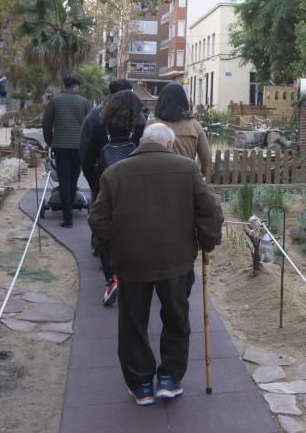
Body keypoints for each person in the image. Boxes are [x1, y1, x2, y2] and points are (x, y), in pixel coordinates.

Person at [88, 123, 223, 405]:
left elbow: (98, 220)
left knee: (133, 323)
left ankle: (141, 385)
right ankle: (169, 378)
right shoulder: (187, 169)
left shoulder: (114, 173)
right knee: (176, 318)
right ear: (170, 145)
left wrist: (111, 250)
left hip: (131, 262)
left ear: (140, 142)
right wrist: (207, 242)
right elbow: (210, 210)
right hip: (176, 260)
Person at [79, 82, 146, 305]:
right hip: (134, 183)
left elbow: (86, 156)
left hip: (105, 180)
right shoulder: (139, 122)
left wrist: (95, 184)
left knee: (104, 228)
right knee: (132, 226)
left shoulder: (95, 119)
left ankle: (112, 278)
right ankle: (132, 269)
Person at [43, 75, 92, 227]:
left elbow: (46, 125)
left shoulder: (54, 101)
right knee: (73, 180)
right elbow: (90, 125)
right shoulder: (85, 103)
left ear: (64, 85)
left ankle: (67, 218)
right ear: (76, 87)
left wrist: (51, 142)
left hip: (60, 147)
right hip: (79, 148)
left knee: (64, 180)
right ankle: (70, 210)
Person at [154, 82, 213, 178]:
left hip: (159, 179)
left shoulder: (153, 124)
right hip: (186, 179)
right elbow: (206, 158)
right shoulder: (195, 125)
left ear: (161, 101)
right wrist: (201, 176)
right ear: (184, 101)